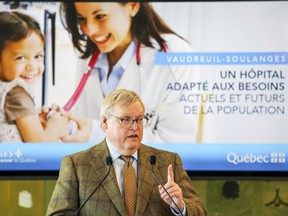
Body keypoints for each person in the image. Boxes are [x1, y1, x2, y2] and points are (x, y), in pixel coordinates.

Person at [47, 89, 207, 215]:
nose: (135, 127)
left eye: (139, 119)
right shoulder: (77, 165)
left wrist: (180, 206)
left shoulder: (167, 162)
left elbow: (200, 211)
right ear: (105, 122)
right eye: (125, 119)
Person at [58, 2, 201, 144]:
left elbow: (177, 146)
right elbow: (85, 119)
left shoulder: (176, 57)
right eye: (81, 19)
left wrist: (96, 134)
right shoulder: (88, 58)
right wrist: (66, 123)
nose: (89, 30)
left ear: (133, 5)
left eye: (100, 16)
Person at [0, 11, 69, 142]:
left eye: (38, 56)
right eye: (20, 58)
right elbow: (39, 148)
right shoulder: (16, 93)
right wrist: (55, 128)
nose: (32, 65)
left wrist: (36, 120)